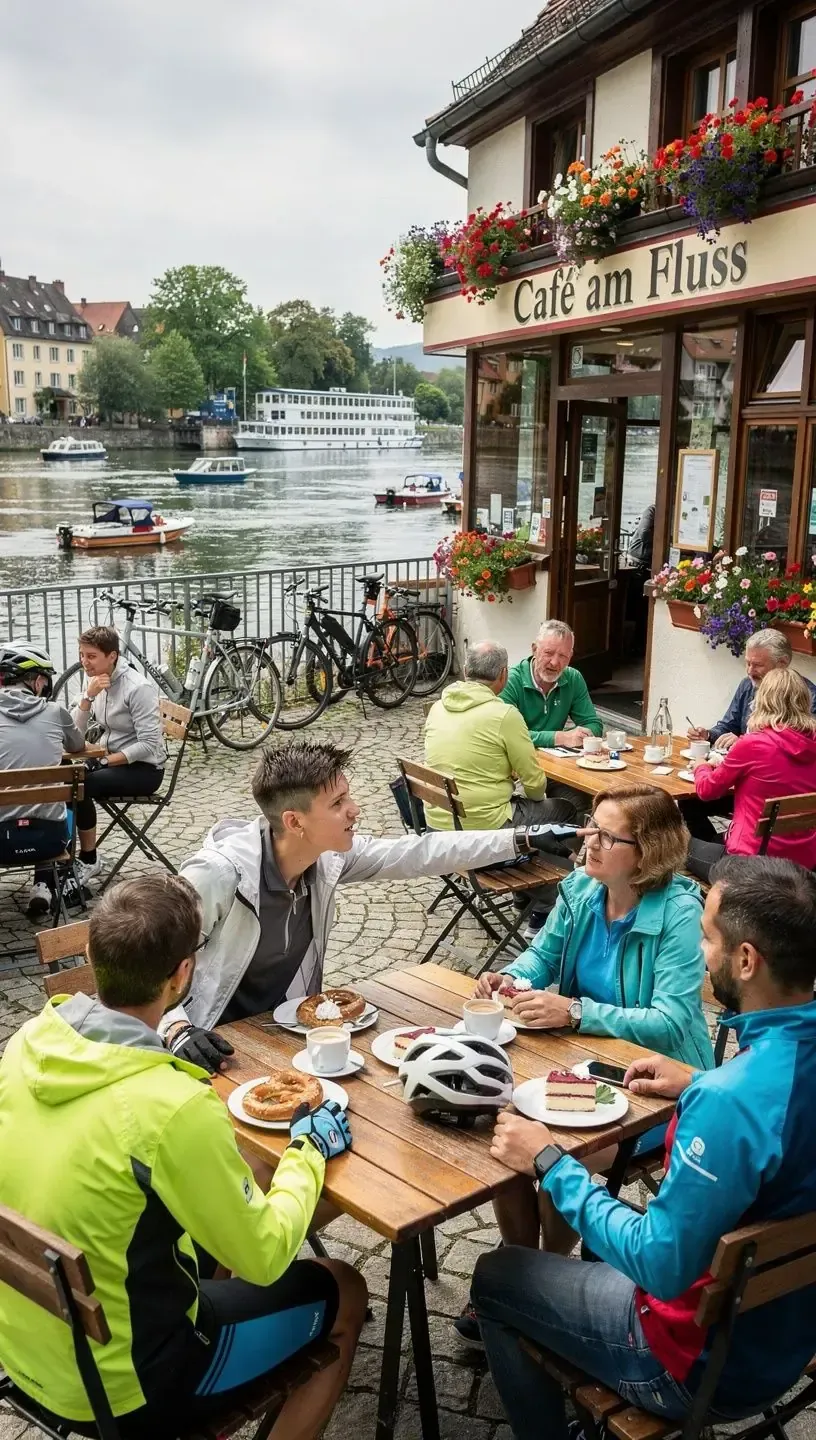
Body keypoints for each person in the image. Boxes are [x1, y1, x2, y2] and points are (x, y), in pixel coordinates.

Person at [0, 873, 367, 1440]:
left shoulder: (27, 1042)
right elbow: (265, 1256)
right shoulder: (172, 1105)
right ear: (182, 975)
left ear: (93, 955)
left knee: (198, 1231)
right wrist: (308, 1149)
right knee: (344, 1286)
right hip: (127, 1389)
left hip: (26, 1353)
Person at [471, 855, 816, 1440]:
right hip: (787, 1332)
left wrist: (549, 1160)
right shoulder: (749, 1084)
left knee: (496, 1275)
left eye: (708, 940)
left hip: (698, 1365)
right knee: (600, 1243)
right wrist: (698, 1082)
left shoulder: (733, 1102)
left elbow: (661, 1263)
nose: (703, 957)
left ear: (747, 959)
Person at [454, 785, 712, 1341]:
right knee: (504, 1139)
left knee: (551, 1162)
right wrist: (512, 977)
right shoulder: (580, 889)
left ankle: (541, 1282)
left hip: (654, 1087)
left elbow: (668, 1021)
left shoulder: (678, 913)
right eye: (589, 827)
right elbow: (542, 955)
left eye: (605, 835)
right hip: (575, 1070)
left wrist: (574, 1010)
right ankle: (526, 1277)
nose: (586, 842)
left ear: (646, 852)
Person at [161, 739, 576, 1072]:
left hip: (291, 1035)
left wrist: (522, 837)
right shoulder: (219, 874)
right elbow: (141, 966)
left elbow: (420, 852)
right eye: (338, 803)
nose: (354, 811)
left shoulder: (327, 858)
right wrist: (176, 1027)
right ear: (294, 822)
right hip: (211, 1052)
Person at [423, 641, 578, 831]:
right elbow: (535, 784)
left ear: (465, 671)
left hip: (437, 821)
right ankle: (531, 858)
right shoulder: (505, 715)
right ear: (504, 675)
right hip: (485, 825)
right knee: (566, 809)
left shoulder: (437, 708)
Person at [683, 628, 816, 842]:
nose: (750, 671)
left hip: (750, 856)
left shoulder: (806, 696)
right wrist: (708, 734)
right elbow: (727, 726)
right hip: (802, 852)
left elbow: (707, 788)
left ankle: (721, 859)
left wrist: (702, 764)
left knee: (684, 849)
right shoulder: (749, 686)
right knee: (692, 804)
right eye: (748, 663)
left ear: (781, 663)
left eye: (757, 665)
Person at [687, 667, 816, 882]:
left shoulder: (754, 744)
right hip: (803, 860)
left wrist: (701, 765)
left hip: (750, 863)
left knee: (678, 845)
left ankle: (720, 897)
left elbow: (707, 790)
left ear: (762, 701)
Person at [69, 626, 165, 891]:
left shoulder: (138, 688)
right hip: (111, 759)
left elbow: (148, 745)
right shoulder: (96, 682)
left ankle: (88, 858)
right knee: (66, 776)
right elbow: (74, 737)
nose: (84, 662)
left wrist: (103, 762)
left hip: (145, 770)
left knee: (80, 784)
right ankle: (64, 857)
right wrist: (88, 697)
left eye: (91, 656)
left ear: (112, 656)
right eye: (82, 655)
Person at [0, 642, 84, 918]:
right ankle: (43, 886)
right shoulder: (56, 713)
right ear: (37, 682)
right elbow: (77, 745)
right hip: (51, 841)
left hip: (2, 842)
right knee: (65, 800)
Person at [499, 620, 602, 751]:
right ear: (534, 650)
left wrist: (580, 734)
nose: (554, 662)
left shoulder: (573, 678)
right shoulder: (511, 681)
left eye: (563, 656)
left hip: (555, 761)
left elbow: (594, 724)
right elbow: (506, 734)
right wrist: (560, 738)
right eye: (548, 653)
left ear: (570, 657)